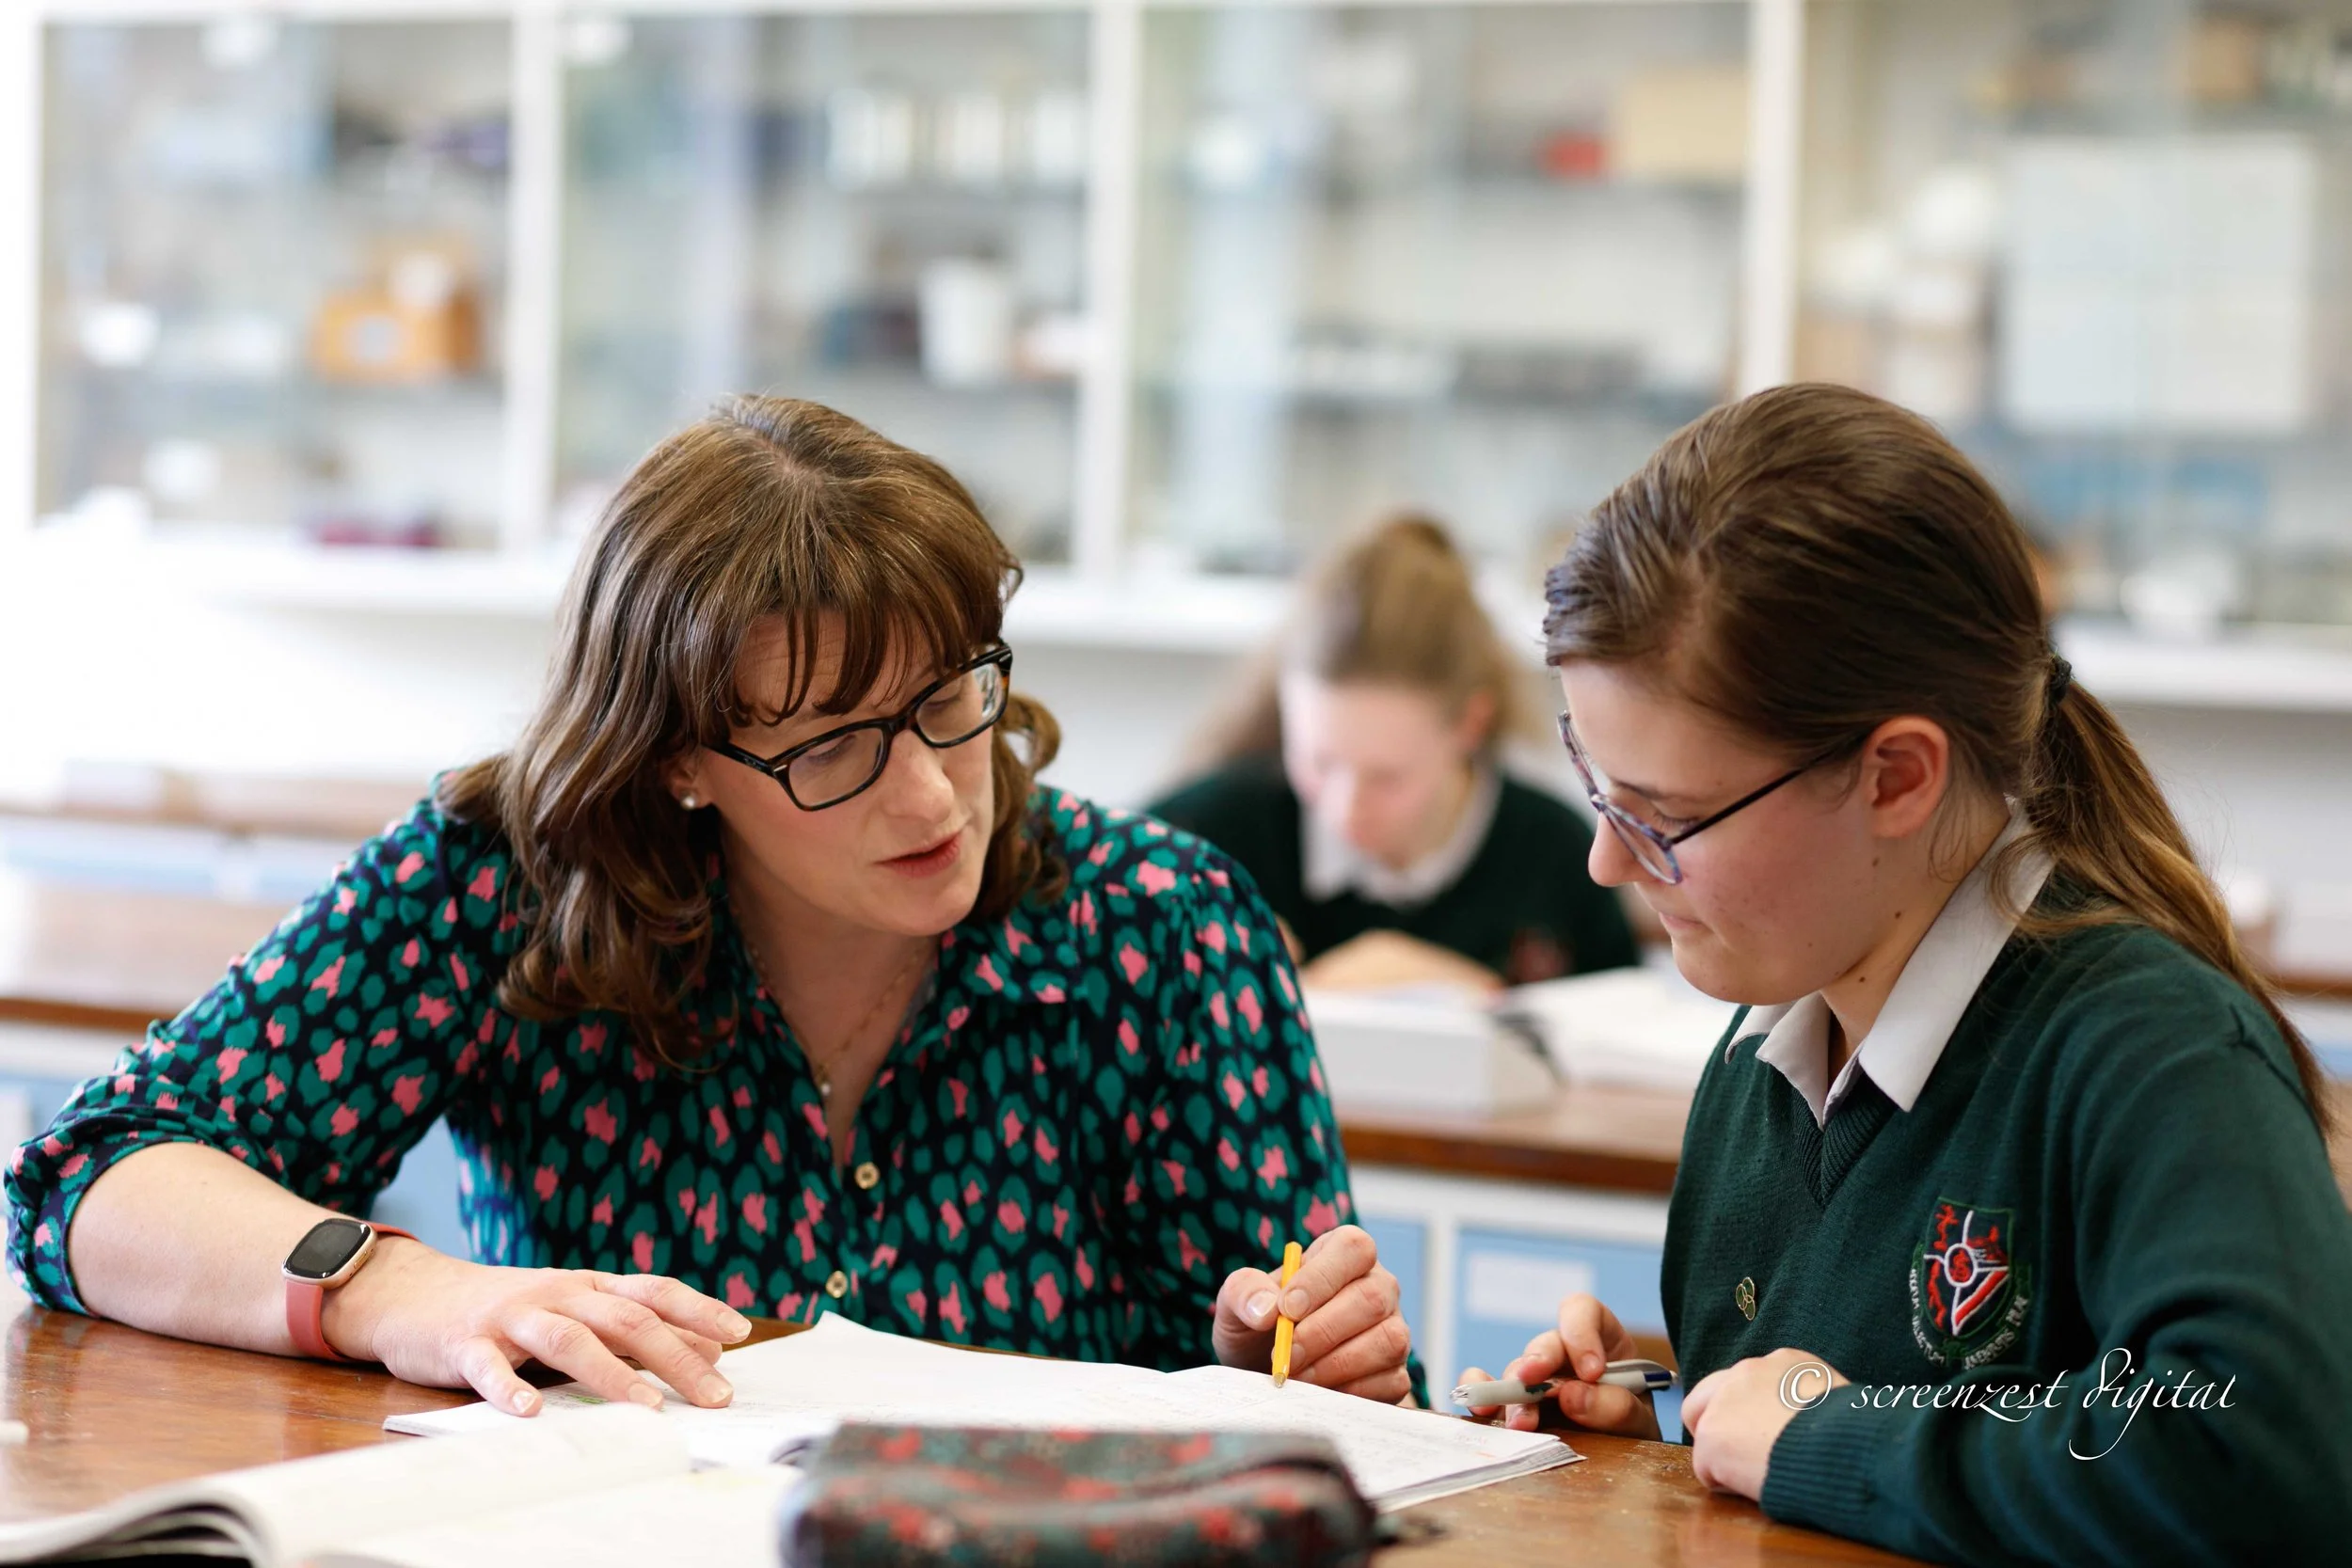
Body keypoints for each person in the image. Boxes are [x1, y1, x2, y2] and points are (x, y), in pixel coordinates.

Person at [7, 396, 1412, 1417]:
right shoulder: (510, 877)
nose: (929, 796)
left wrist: (1291, 1351)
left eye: (946, 701)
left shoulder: (1164, 925)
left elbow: (1299, 1378)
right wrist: (402, 1289)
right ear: (678, 757)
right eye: (834, 747)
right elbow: (91, 1176)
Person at [1458, 384, 2352, 1564]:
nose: (1605, 858)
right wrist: (1670, 1427)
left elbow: (2259, 1459)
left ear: (1895, 776)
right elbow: (1864, 1443)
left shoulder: (2152, 1048)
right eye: (1596, 785)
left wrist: (1826, 1436)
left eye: (1664, 816)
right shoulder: (1766, 1054)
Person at [1150, 515, 1637, 994]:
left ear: (1470, 725)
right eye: (1319, 763)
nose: (1346, 808)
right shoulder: (1206, 836)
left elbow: (1618, 1036)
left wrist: (1473, 993)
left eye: (1387, 778)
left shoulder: (1556, 856)